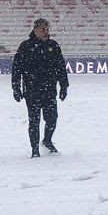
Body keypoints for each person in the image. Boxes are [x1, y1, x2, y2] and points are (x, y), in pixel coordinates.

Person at [11, 18, 68, 159]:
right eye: (43, 29)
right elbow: (16, 68)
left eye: (47, 29)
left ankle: (47, 140)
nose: (46, 31)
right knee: (34, 121)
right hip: (32, 90)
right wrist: (16, 87)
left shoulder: (53, 45)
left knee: (52, 118)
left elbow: (60, 67)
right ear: (36, 30)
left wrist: (64, 85)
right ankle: (35, 149)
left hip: (49, 90)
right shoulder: (25, 46)